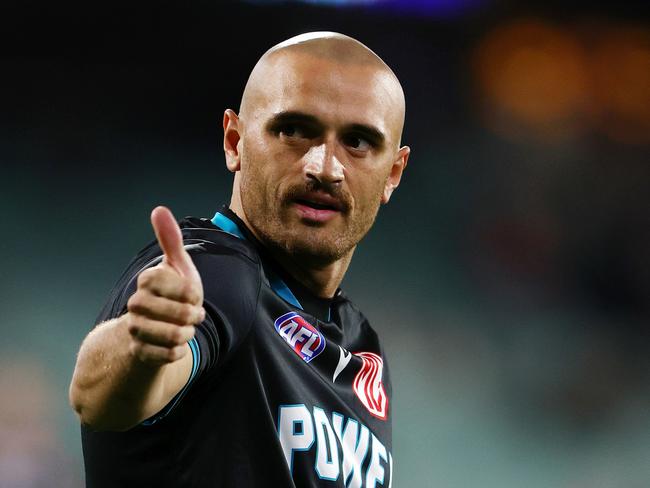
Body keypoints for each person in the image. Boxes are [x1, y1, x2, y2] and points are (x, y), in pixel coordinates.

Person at [69, 31, 410, 487]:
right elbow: (100, 399)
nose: (324, 167)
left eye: (359, 141)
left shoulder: (362, 346)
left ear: (392, 174)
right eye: (292, 130)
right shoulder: (218, 275)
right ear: (235, 141)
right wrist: (142, 345)